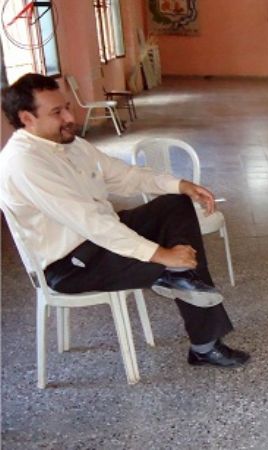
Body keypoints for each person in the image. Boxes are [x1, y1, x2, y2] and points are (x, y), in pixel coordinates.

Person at [0, 73, 249, 367]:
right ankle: (183, 292)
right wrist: (161, 253)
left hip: (100, 238)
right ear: (27, 118)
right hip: (69, 265)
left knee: (174, 204)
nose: (70, 117)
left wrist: (179, 184)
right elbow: (90, 222)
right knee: (164, 257)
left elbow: (124, 176)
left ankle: (181, 281)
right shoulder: (24, 162)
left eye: (67, 107)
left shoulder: (70, 144)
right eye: (57, 112)